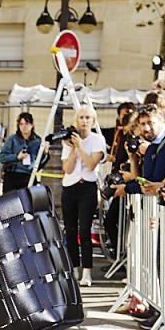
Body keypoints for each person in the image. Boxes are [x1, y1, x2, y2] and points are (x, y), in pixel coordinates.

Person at [60, 104, 105, 286]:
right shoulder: (69, 141)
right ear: (76, 120)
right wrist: (72, 148)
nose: (84, 121)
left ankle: (87, 271)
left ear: (93, 121)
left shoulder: (97, 140)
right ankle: (74, 268)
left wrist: (80, 146)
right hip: (70, 187)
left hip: (87, 186)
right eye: (81, 117)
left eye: (88, 118)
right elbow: (67, 169)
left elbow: (91, 164)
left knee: (84, 230)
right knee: (70, 229)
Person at [0, 112, 41, 192]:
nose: (24, 127)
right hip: (13, 175)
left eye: (27, 123)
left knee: (29, 203)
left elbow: (41, 163)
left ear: (32, 125)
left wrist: (45, 155)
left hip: (29, 176)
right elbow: (1, 157)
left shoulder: (38, 141)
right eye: (21, 124)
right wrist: (16, 157)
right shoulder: (12, 139)